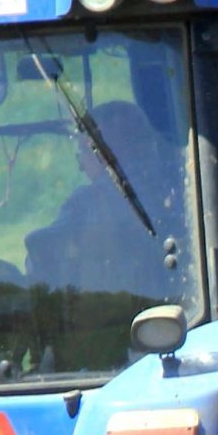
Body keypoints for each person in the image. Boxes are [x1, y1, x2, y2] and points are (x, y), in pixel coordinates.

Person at [19, 98, 191, 371]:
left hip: (105, 345)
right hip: (182, 327)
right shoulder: (188, 192)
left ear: (106, 152)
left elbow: (40, 248)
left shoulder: (85, 205)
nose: (81, 165)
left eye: (83, 153)